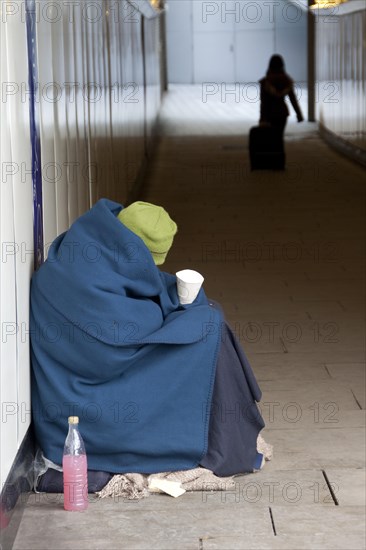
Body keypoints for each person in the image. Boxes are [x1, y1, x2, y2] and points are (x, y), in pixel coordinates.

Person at [31, 199, 267, 492]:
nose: (154, 270)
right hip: (88, 401)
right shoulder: (98, 284)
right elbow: (137, 332)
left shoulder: (85, 247)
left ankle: (222, 429)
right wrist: (184, 308)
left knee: (207, 316)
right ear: (136, 252)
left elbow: (141, 291)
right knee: (208, 329)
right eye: (151, 261)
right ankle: (218, 437)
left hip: (69, 382)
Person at [259, 54, 304, 135]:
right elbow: (293, 99)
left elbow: (264, 103)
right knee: (279, 138)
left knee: (271, 139)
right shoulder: (286, 81)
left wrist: (262, 119)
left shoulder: (266, 82)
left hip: (269, 114)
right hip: (282, 113)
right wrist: (299, 114)